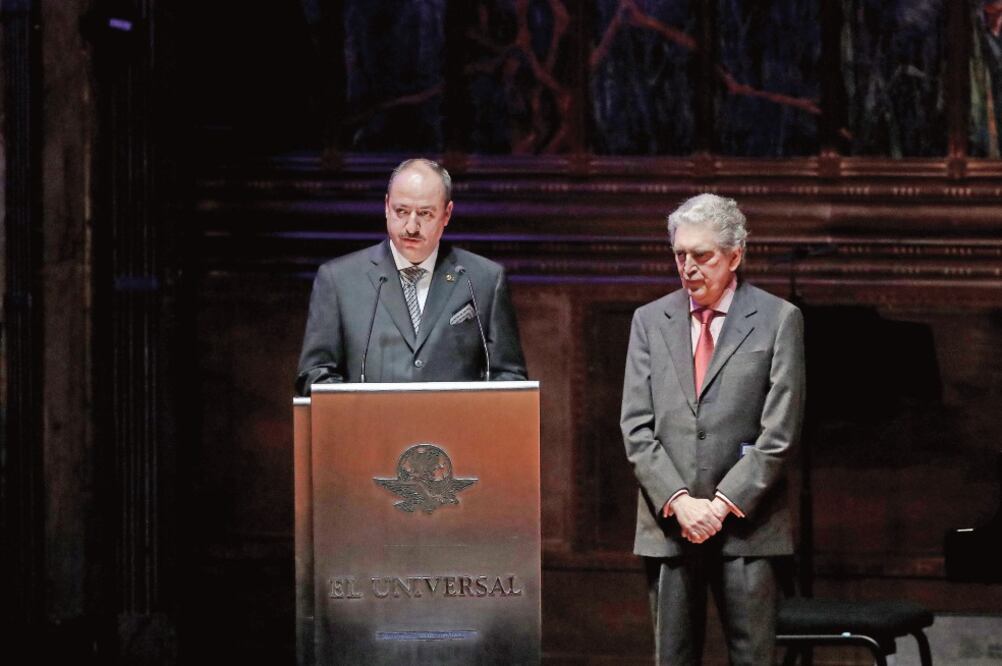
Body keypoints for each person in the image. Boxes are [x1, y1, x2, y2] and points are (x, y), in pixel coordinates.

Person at [620, 193, 805, 665]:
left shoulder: (778, 319)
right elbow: (636, 428)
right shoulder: (649, 321)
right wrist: (681, 502)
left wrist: (721, 506)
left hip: (747, 526)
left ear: (735, 255)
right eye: (680, 255)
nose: (689, 268)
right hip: (670, 524)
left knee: (753, 658)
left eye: (702, 256)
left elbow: (779, 433)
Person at [295, 158, 527, 395]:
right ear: (386, 206)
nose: (411, 227)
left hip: (455, 429)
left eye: (425, 213)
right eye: (401, 211)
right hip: (370, 429)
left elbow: (509, 378)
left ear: (446, 214)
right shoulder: (338, 280)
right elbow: (316, 376)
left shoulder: (483, 279)